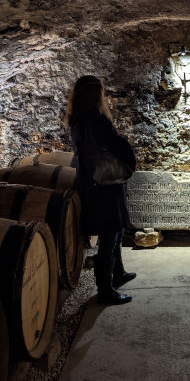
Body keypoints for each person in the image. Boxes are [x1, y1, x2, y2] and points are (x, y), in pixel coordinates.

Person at [66, 75, 136, 305]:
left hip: (90, 181)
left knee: (113, 228)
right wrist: (129, 156)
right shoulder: (97, 119)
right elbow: (116, 143)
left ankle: (118, 273)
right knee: (111, 231)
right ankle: (105, 288)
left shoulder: (76, 120)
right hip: (106, 182)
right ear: (96, 94)